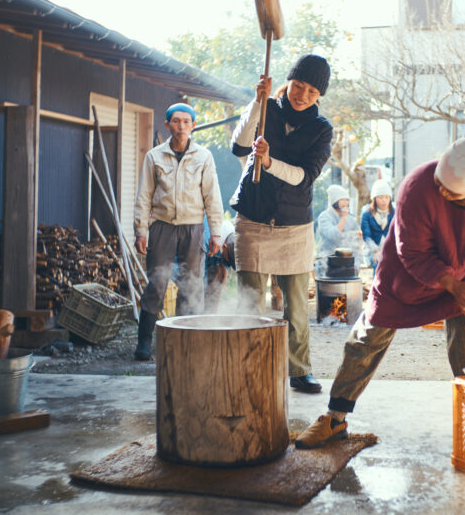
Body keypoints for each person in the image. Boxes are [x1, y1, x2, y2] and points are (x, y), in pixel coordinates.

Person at [295, 129, 465, 448]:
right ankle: (334, 418)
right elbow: (414, 253)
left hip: (462, 274)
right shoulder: (416, 185)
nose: (438, 190)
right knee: (366, 339)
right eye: (438, 182)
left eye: (449, 192)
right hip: (407, 275)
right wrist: (453, 283)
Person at [230, 54, 334, 394]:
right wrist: (258, 100)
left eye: (312, 91)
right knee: (251, 301)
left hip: (294, 225)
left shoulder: (321, 130)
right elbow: (239, 146)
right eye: (298, 85)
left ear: (320, 96)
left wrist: (270, 161)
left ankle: (299, 370)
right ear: (287, 82)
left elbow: (304, 178)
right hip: (254, 217)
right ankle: (249, 367)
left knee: (296, 305)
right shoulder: (267, 111)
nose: (302, 94)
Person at [133, 103, 224, 361]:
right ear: (167, 125)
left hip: (193, 227)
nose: (181, 126)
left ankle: (183, 342)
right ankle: (144, 343)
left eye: (186, 121)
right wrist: (141, 230)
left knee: (191, 284)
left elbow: (212, 196)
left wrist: (215, 232)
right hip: (161, 226)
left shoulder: (204, 156)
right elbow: (144, 196)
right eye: (176, 121)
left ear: (193, 125)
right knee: (157, 282)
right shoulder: (154, 156)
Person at [316, 184, 361, 276]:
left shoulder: (351, 218)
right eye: (342, 199)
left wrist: (357, 264)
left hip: (348, 261)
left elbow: (357, 241)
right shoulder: (324, 217)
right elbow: (333, 236)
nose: (346, 203)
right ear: (334, 201)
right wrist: (343, 218)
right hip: (328, 261)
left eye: (347, 200)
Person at [360, 179, 394, 274]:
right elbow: (366, 236)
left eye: (387, 197)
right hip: (372, 252)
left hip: (390, 250)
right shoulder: (366, 214)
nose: (384, 200)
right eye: (381, 197)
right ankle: (377, 287)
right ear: (374, 199)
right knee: (379, 261)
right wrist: (375, 250)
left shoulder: (394, 213)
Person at [204, 220, 236, 314]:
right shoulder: (207, 241)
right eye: (228, 261)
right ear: (225, 247)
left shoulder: (232, 238)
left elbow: (221, 281)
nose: (228, 264)